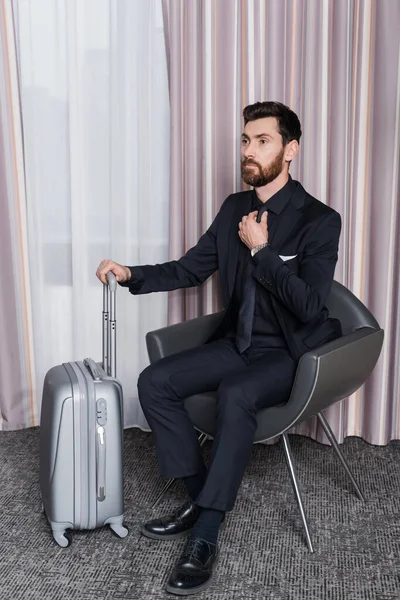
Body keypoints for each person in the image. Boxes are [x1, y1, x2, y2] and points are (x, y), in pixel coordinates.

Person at [96, 101, 342, 596]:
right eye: (246, 140)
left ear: (291, 150)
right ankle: (197, 497)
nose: (249, 151)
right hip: (239, 342)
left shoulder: (320, 219)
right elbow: (190, 269)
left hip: (289, 352)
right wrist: (130, 274)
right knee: (154, 381)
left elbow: (312, 306)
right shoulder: (235, 208)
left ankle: (205, 536)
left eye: (263, 141)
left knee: (235, 394)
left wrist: (262, 251)